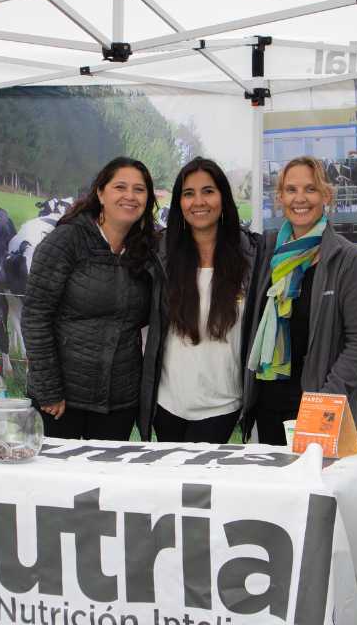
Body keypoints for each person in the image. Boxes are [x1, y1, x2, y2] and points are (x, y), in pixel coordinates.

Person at [22, 157, 161, 440]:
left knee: (109, 482)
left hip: (119, 402)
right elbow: (36, 315)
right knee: (61, 482)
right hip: (61, 402)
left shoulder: (147, 250)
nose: (130, 196)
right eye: (120, 187)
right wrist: (49, 390)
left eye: (139, 189)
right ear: (100, 192)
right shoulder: (66, 240)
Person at [243, 155, 357, 445]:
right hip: (269, 402)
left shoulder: (347, 260)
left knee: (315, 488)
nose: (300, 198)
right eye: (291, 190)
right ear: (279, 197)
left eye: (310, 189)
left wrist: (327, 398)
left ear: (325, 195)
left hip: (319, 405)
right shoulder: (267, 252)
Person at [139, 158, 262, 443]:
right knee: (169, 485)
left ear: (223, 198)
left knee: (203, 487)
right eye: (188, 193)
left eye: (208, 191)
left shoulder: (252, 256)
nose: (199, 201)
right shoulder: (159, 254)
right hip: (167, 404)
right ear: (179, 202)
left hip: (222, 405)